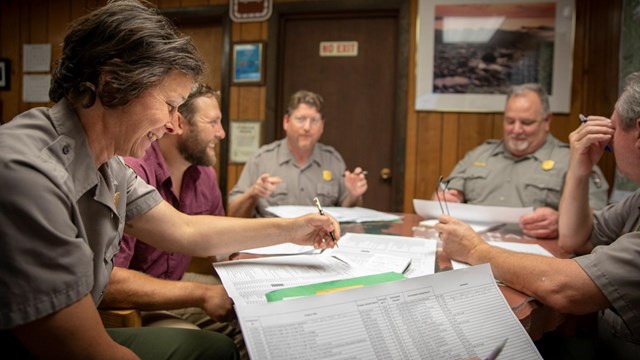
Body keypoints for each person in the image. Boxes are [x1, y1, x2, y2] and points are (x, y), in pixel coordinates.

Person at [0, 1, 339, 359]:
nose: (173, 125)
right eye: (170, 105)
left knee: (217, 349)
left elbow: (185, 230)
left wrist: (295, 228)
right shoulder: (27, 173)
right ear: (115, 84)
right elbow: (88, 352)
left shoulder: (110, 166)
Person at [435, 71, 640, 359]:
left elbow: (563, 288)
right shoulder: (637, 200)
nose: (608, 139)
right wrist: (579, 165)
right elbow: (574, 239)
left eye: (614, 129)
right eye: (510, 120)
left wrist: (475, 250)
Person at [99, 83, 247, 358]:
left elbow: (219, 246)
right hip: (132, 307)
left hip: (171, 289)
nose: (222, 133)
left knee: (248, 323)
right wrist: (200, 294)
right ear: (177, 122)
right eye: (213, 122)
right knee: (206, 346)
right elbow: (109, 281)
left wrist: (253, 264)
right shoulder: (133, 170)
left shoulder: (204, 174)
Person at [433, 83, 609, 239]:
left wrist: (561, 220)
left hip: (538, 259)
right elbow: (441, 194)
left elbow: (599, 221)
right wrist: (447, 198)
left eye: (526, 122)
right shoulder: (480, 154)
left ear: (547, 121)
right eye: (510, 121)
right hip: (472, 251)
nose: (516, 130)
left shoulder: (575, 160)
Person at [228, 90, 368, 218]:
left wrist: (354, 196)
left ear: (322, 126)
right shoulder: (262, 159)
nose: (307, 127)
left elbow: (348, 215)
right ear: (286, 122)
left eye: (314, 120)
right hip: (273, 241)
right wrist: (253, 193)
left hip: (322, 240)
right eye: (300, 119)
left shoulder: (333, 160)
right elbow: (233, 213)